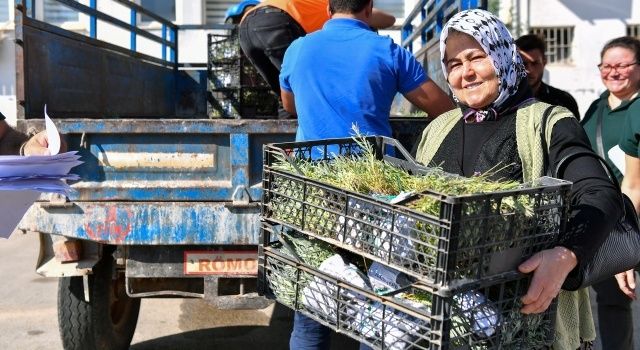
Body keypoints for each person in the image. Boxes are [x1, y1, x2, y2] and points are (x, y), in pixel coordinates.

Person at [414, 9, 622, 350]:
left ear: (502, 56)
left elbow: (599, 193)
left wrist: (565, 255)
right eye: (453, 63)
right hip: (447, 323)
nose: (465, 73)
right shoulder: (439, 129)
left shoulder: (545, 121)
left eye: (476, 57)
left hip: (528, 322)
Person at [278, 0, 454, 347]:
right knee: (378, 311)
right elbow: (442, 108)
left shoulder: (298, 49)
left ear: (328, 7)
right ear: (369, 7)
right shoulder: (387, 50)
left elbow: (289, 104)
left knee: (313, 311)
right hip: (374, 196)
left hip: (310, 196)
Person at [581, 36, 640, 350]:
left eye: (623, 65)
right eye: (607, 65)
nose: (614, 72)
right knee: (614, 301)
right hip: (610, 220)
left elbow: (636, 182)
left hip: (629, 218)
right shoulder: (596, 109)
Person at [238, 0, 395, 118]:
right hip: (274, 20)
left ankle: (286, 135)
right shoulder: (341, 7)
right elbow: (389, 20)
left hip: (245, 29)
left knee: (286, 94)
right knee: (304, 88)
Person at [515, 34, 581, 118]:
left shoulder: (564, 102)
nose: (529, 70)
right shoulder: (504, 103)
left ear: (544, 63)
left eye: (535, 63)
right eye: (523, 64)